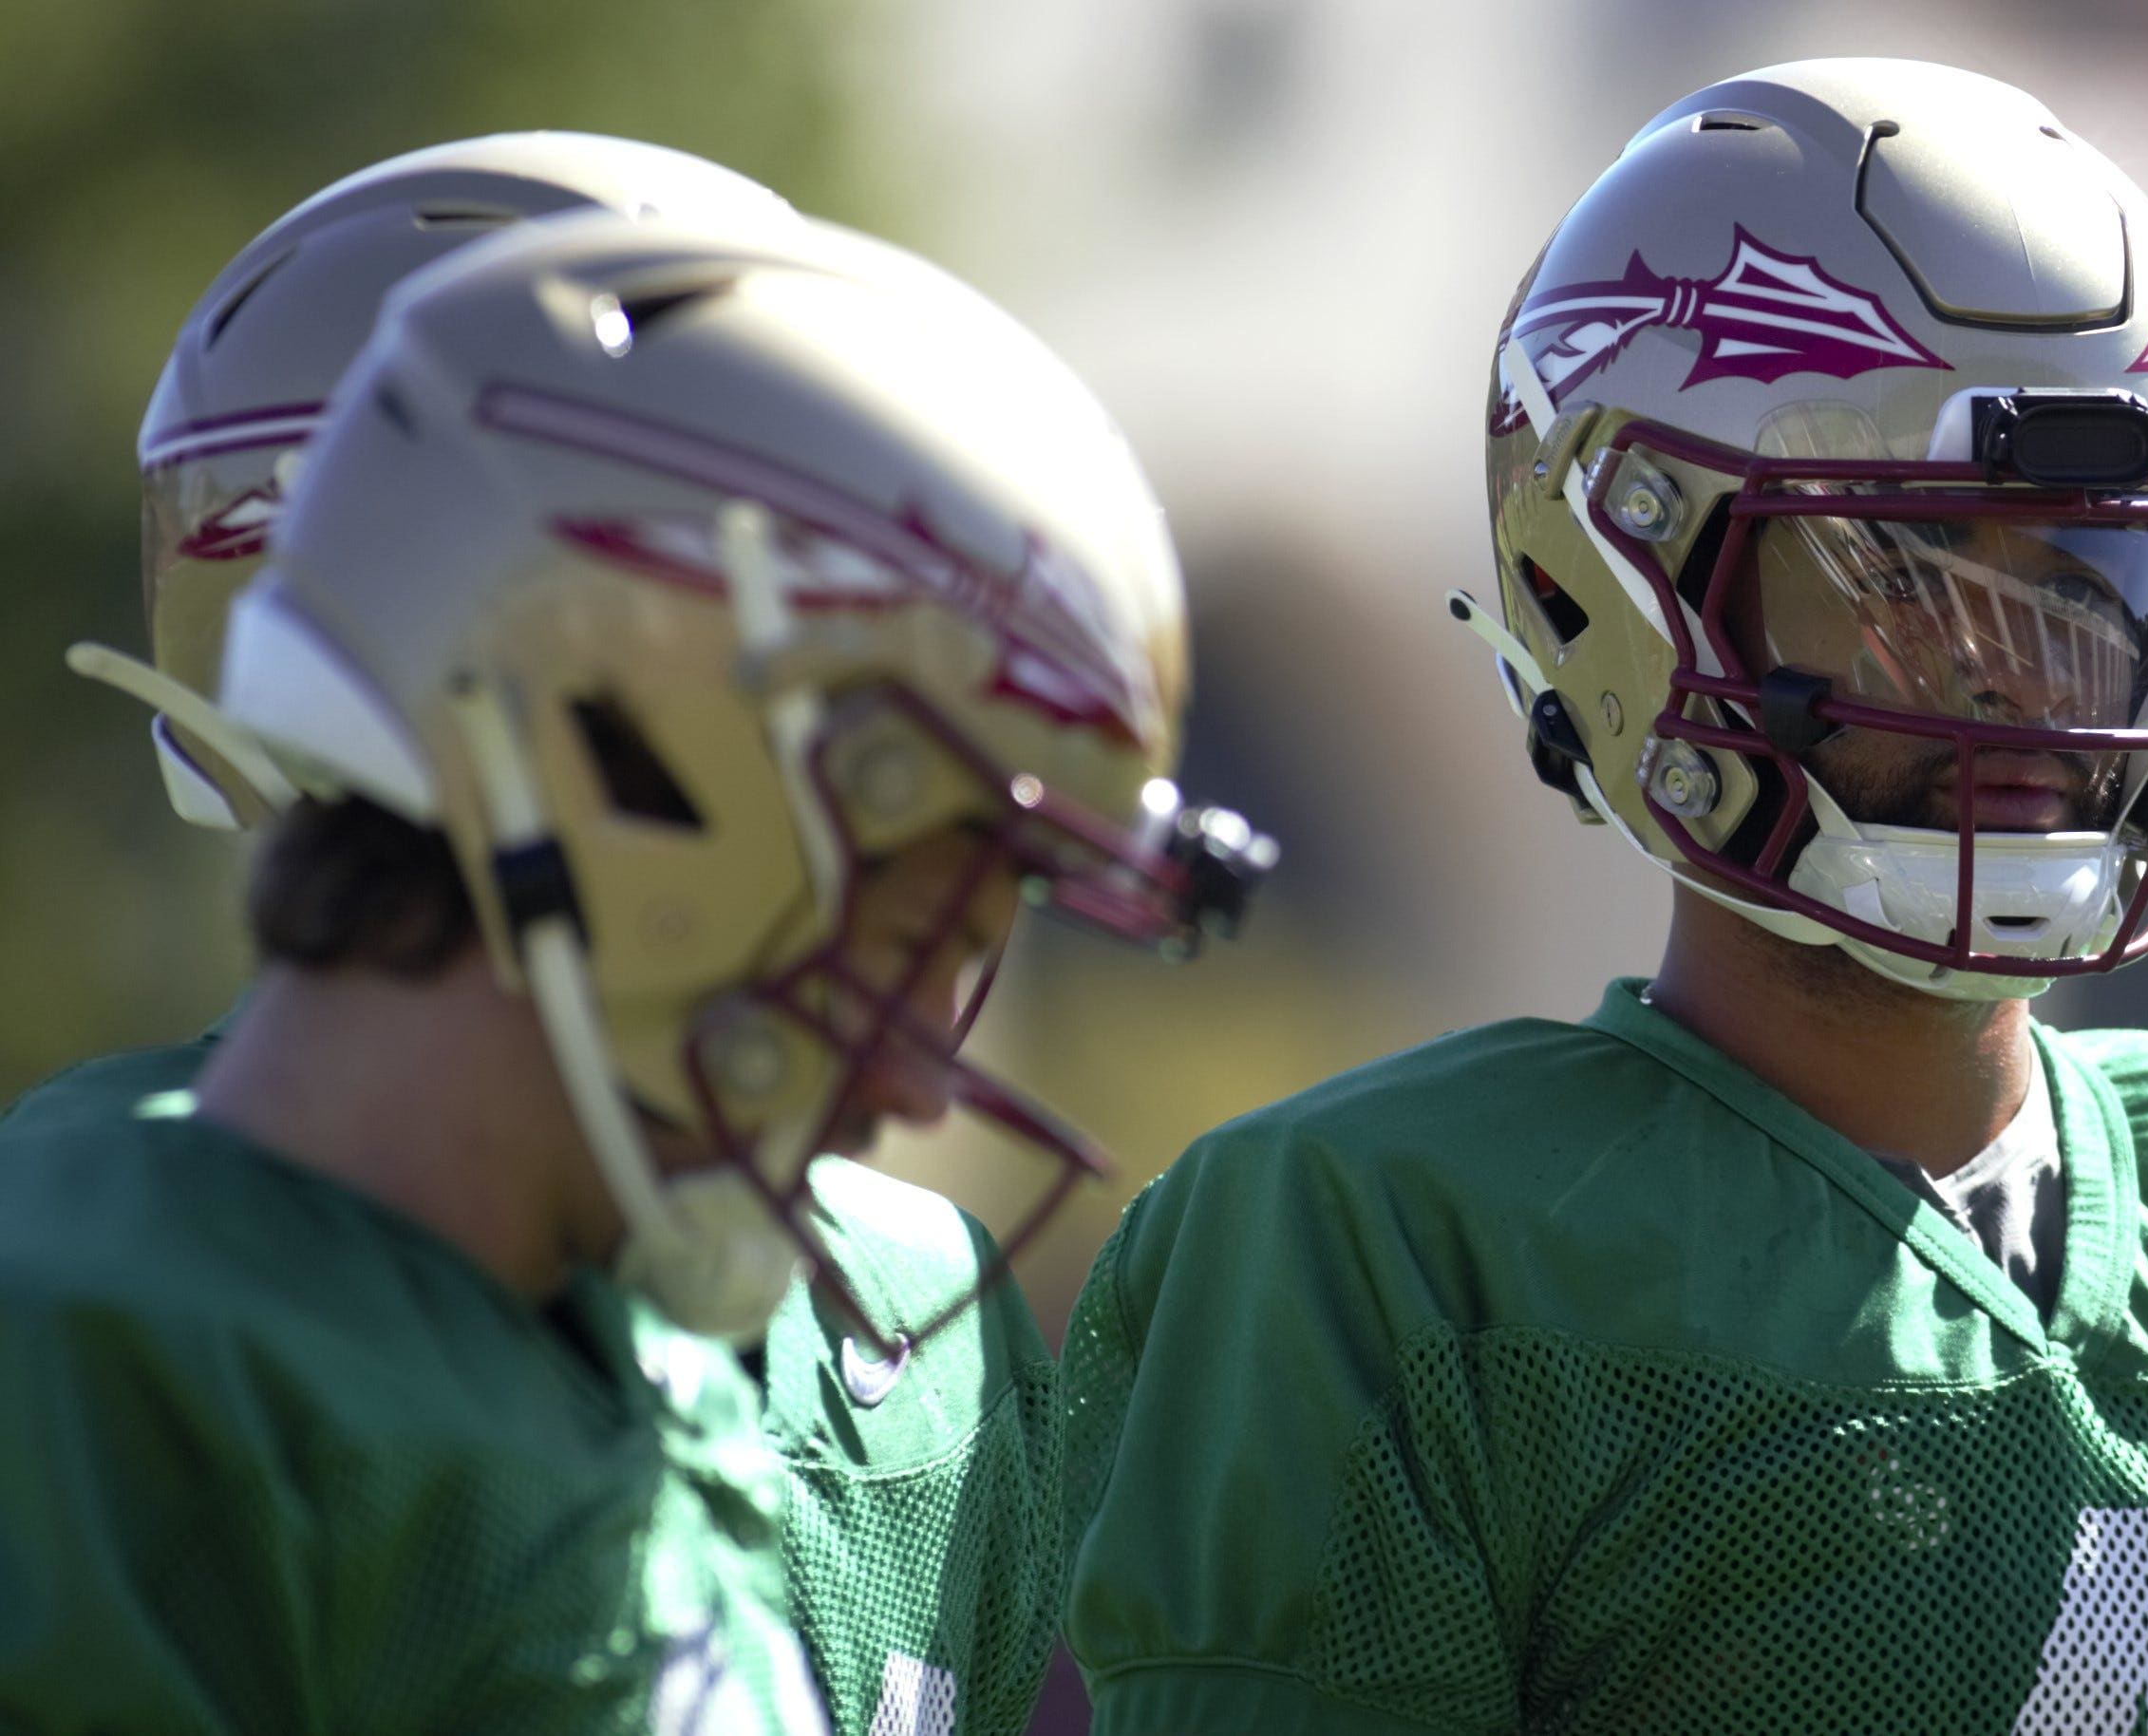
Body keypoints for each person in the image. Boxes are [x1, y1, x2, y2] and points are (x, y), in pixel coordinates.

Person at [1058, 59, 2148, 1736]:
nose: (2024, 687)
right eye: (1904, 580)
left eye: (2100, 579)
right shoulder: (1384, 1258)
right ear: (1622, 580)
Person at [0, 205, 1264, 1729]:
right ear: (628, 778)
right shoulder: (89, 1366)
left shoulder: (630, 1363)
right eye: (894, 929)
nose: (909, 1073)